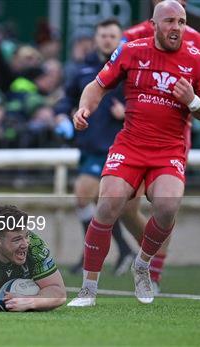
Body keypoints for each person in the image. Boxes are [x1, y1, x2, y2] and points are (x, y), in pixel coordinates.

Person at [67, 0, 200, 307]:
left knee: (166, 206)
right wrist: (85, 108)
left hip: (169, 149)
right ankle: (88, 289)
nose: (176, 27)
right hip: (131, 144)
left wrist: (192, 102)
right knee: (108, 206)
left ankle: (143, 263)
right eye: (169, 21)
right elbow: (97, 86)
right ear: (153, 25)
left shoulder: (198, 60)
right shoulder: (131, 50)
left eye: (181, 21)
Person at [116, 0, 200, 289]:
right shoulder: (133, 36)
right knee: (124, 206)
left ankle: (152, 274)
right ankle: (148, 256)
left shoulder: (198, 41)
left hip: (174, 133)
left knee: (164, 205)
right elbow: (114, 70)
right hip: (136, 129)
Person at [54, 18, 134, 276]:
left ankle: (101, 252)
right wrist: (60, 114)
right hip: (88, 143)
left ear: (119, 38)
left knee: (83, 196)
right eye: (103, 35)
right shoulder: (83, 69)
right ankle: (121, 249)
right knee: (101, 205)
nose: (107, 40)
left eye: (112, 35)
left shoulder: (129, 68)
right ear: (96, 38)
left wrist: (128, 112)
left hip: (115, 146)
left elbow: (145, 101)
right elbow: (66, 97)